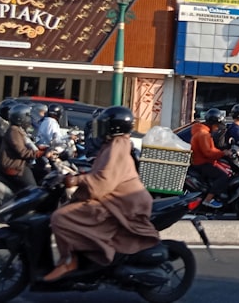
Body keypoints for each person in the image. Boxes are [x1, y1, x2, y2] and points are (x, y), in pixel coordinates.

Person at [44, 106, 159, 282]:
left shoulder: (117, 146)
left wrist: (77, 181)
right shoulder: (113, 144)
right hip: (115, 198)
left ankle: (70, 260)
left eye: (104, 124)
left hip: (120, 204)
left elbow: (103, 182)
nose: (100, 128)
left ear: (114, 127)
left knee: (61, 217)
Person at [190, 108, 231, 209]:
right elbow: (208, 152)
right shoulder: (203, 134)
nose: (217, 129)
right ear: (212, 124)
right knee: (223, 176)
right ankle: (208, 200)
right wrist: (223, 153)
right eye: (217, 126)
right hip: (202, 163)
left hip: (200, 161)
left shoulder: (201, 131)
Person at [0, 103, 44, 190]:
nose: (29, 119)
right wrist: (41, 153)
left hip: (21, 164)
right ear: (21, 117)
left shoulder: (18, 129)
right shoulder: (14, 131)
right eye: (28, 116)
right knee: (34, 190)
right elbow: (23, 152)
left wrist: (41, 148)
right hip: (14, 167)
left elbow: (26, 145)